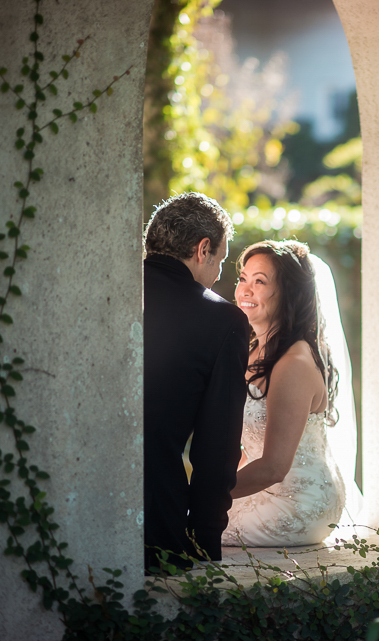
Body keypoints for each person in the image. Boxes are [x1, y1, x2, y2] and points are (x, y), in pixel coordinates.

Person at [143, 192, 250, 569]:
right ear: (203, 248)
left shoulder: (100, 293)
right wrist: (204, 537)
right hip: (151, 522)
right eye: (221, 259)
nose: (220, 274)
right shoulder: (223, 322)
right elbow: (217, 446)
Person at [220, 240, 351, 547]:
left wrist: (202, 493)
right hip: (263, 488)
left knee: (182, 525)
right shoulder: (254, 351)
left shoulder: (294, 363)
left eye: (260, 281)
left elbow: (275, 466)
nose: (245, 290)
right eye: (243, 279)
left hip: (299, 503)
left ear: (289, 293)